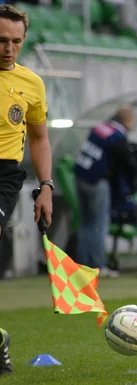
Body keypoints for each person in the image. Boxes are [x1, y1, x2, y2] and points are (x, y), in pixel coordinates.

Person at [0, 5, 54, 376]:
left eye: (16, 41)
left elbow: (38, 138)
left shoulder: (32, 83)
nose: (9, 48)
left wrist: (46, 186)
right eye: (1, 40)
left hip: (3, 174)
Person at [74, 105, 137, 277]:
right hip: (97, 181)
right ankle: (98, 267)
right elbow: (127, 163)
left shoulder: (100, 128)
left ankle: (82, 267)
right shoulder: (117, 136)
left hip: (80, 175)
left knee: (85, 224)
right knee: (98, 225)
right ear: (129, 120)